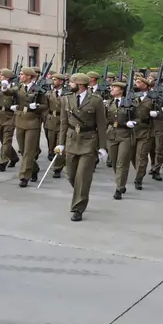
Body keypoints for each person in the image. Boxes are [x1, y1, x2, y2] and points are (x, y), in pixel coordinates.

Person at [56, 73, 107, 221]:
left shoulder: (96, 101)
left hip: (89, 141)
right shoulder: (66, 99)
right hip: (72, 140)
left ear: (80, 84)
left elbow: (101, 125)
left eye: (71, 82)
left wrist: (102, 147)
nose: (69, 85)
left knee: (83, 177)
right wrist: (60, 143)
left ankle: (78, 208)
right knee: (71, 175)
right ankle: (81, 193)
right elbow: (63, 123)